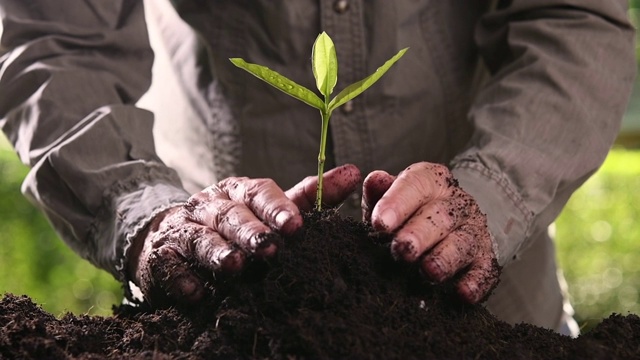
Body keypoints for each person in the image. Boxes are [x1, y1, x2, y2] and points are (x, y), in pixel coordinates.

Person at [0, 0, 635, 337]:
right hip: (232, 293)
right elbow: (55, 42)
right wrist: (142, 212)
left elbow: (571, 15)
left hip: (487, 306)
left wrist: (494, 192)